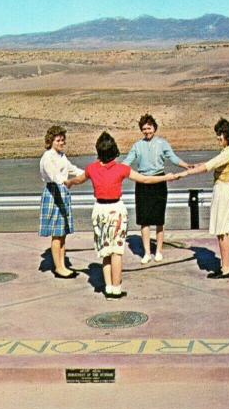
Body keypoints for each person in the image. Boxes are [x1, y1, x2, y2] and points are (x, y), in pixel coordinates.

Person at [66, 131, 177, 299]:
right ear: (114, 151)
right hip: (116, 210)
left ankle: (108, 286)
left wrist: (69, 182)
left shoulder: (92, 169)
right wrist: (166, 178)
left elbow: (78, 179)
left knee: (105, 252)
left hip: (99, 211)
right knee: (116, 251)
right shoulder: (121, 169)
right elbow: (145, 179)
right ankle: (117, 288)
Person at [122, 114, 192, 264]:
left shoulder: (162, 143)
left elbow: (172, 157)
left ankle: (159, 250)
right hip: (142, 183)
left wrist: (185, 165)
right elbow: (127, 161)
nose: (147, 131)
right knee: (144, 220)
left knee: (159, 219)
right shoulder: (137, 146)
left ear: (154, 128)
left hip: (160, 181)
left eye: (149, 128)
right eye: (144, 129)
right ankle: (147, 253)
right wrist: (114, 170)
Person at [175, 118, 229, 279]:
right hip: (222, 190)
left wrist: (185, 173)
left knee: (223, 231)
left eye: (221, 134)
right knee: (222, 231)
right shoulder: (227, 152)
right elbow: (211, 163)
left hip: (224, 191)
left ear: (227, 135)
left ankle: (226, 268)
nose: (218, 137)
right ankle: (225, 266)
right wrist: (194, 166)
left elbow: (208, 166)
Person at [39, 125, 83, 279]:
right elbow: (54, 176)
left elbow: (73, 169)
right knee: (57, 234)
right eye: (58, 140)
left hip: (63, 193)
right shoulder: (47, 157)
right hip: (53, 193)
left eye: (63, 140)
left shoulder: (62, 156)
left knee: (62, 233)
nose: (61, 143)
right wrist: (67, 182)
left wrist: (88, 174)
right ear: (51, 141)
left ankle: (63, 265)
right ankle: (58, 268)